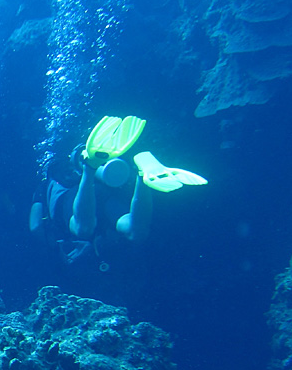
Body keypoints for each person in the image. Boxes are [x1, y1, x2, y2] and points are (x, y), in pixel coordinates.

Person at [30, 115, 207, 273]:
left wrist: (55, 246)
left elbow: (35, 226)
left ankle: (90, 168)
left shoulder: (44, 185)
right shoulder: (71, 174)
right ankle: (141, 173)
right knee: (135, 230)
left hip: (73, 199)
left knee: (83, 228)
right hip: (103, 192)